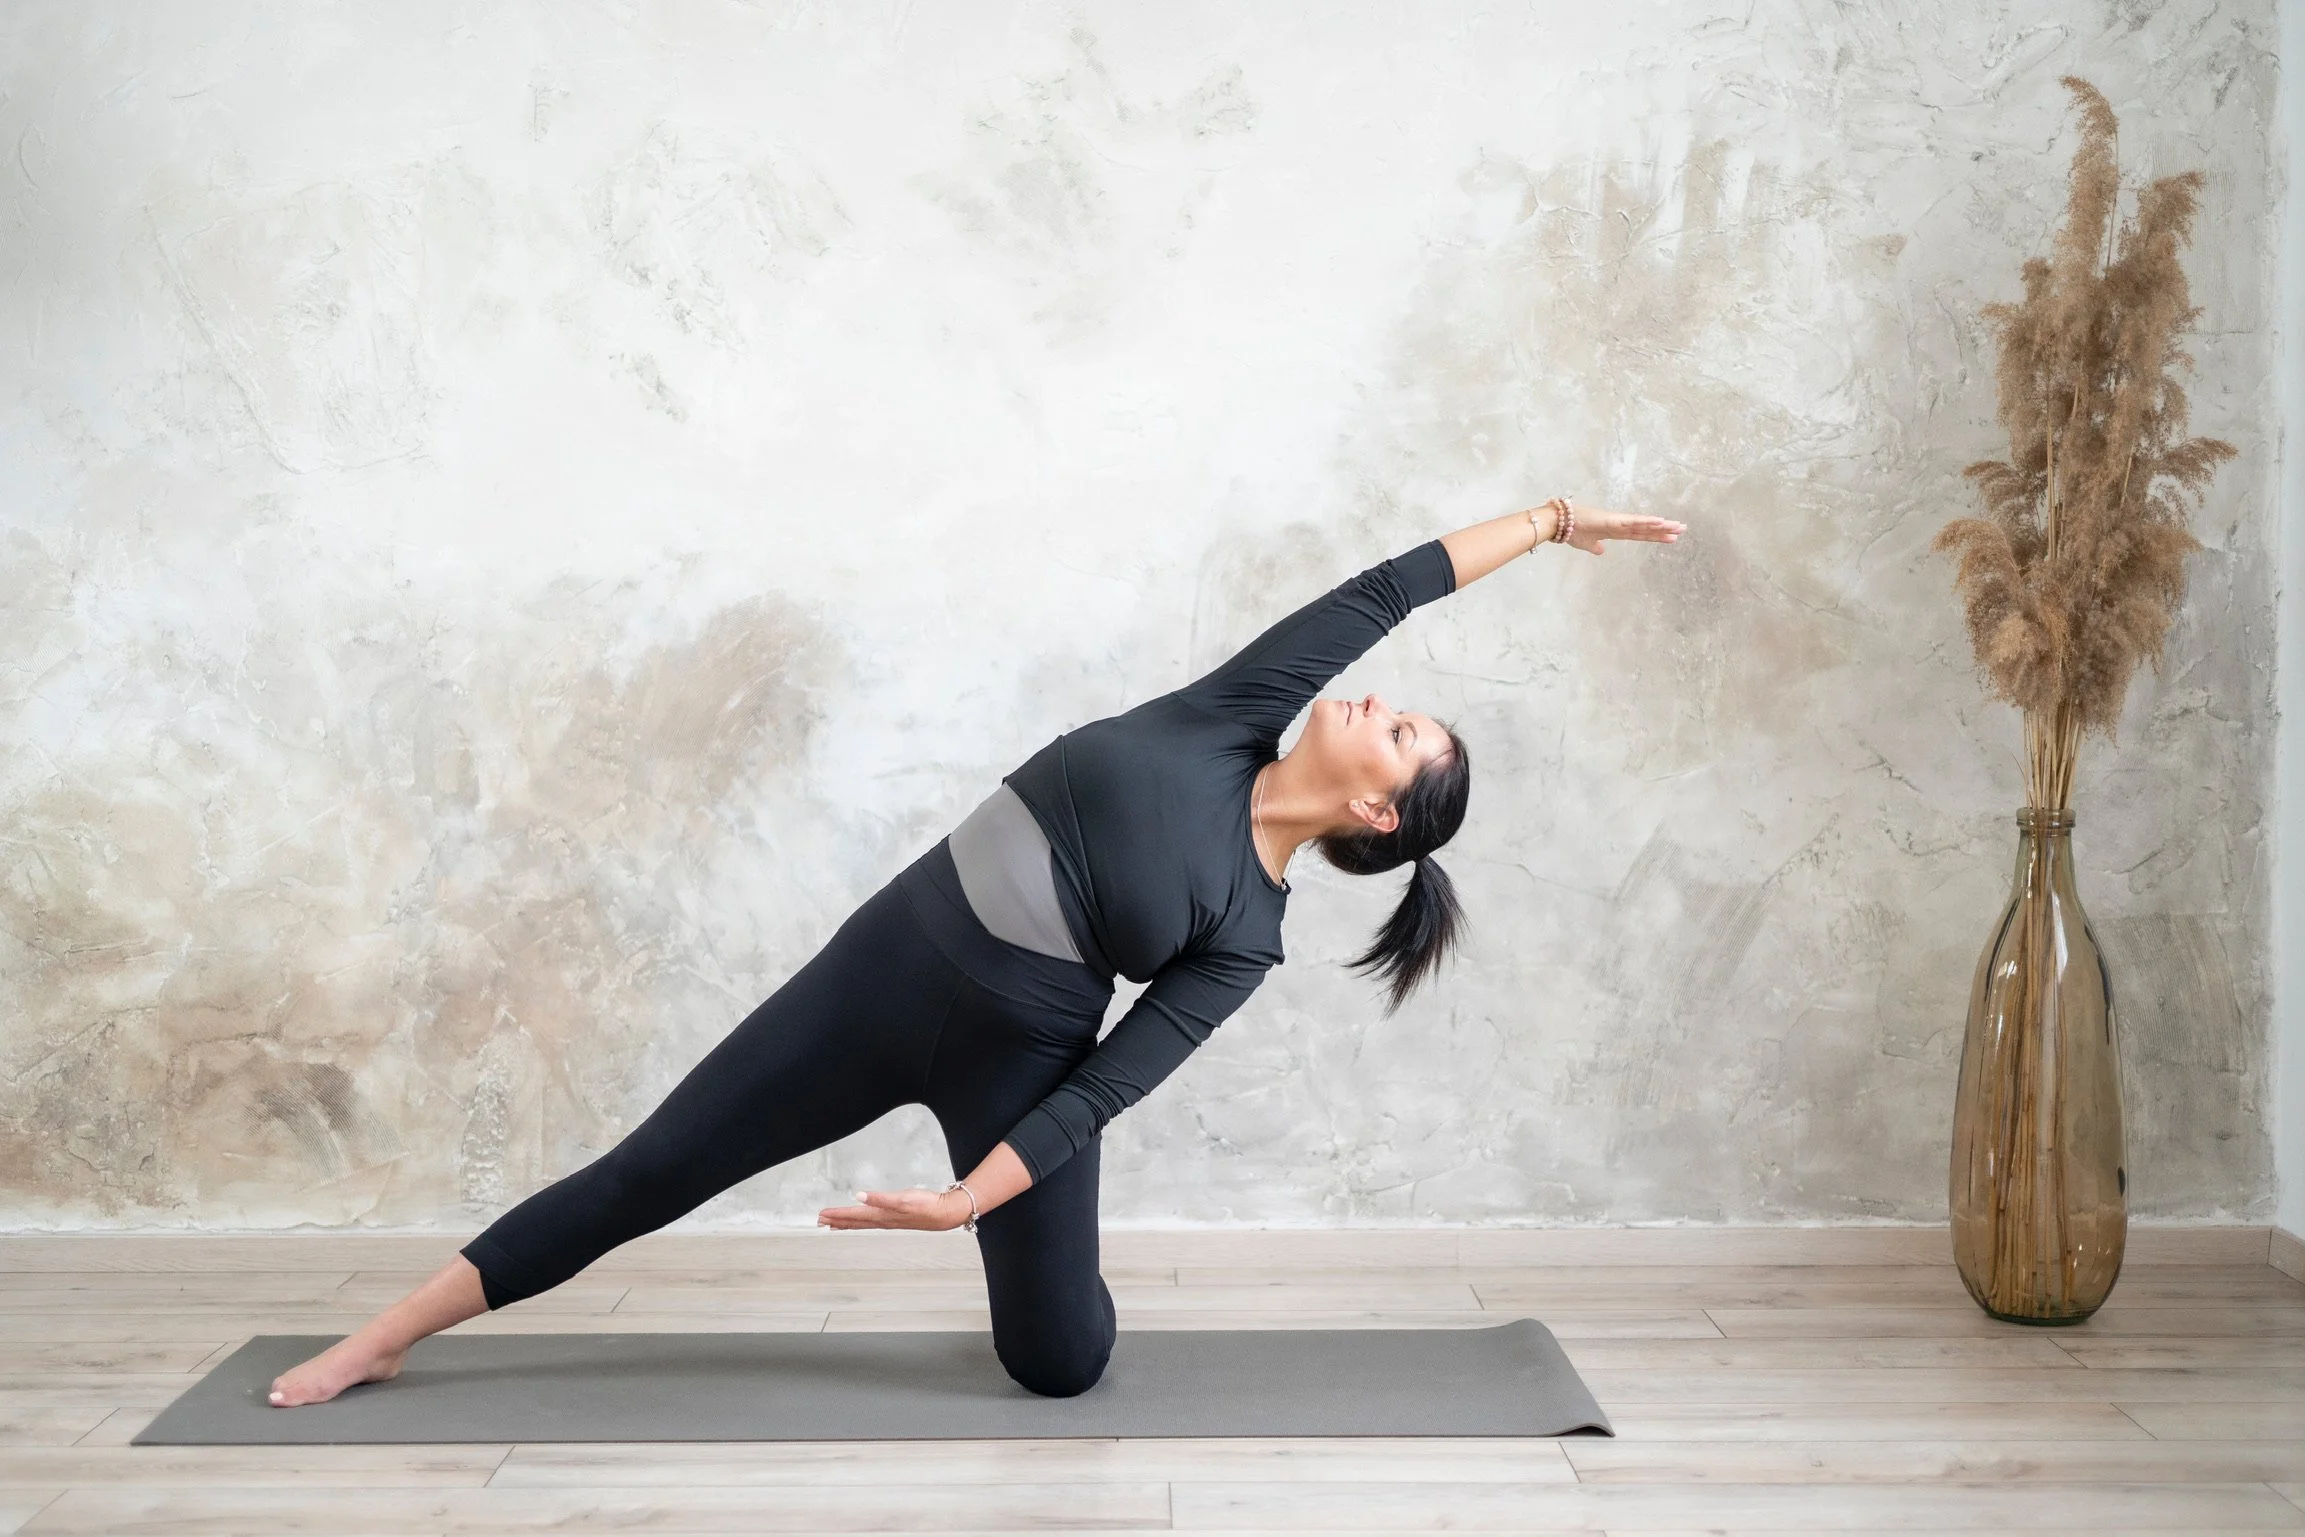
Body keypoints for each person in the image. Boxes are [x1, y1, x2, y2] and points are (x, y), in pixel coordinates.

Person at [266, 497, 1684, 1407]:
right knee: (655, 1168)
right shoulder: (1236, 709)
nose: (1378, 700)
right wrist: (1555, 521)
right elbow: (1396, 585)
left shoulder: (1247, 937)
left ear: (1379, 810)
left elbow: (1101, 1090)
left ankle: (1064, 1288)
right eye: (1396, 705)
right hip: (881, 971)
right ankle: (394, 1328)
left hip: (1020, 1067)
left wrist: (965, 1205)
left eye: (1402, 730)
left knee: (1059, 1366)